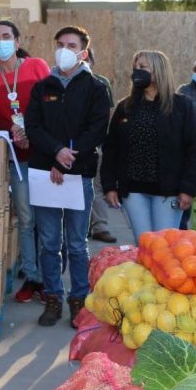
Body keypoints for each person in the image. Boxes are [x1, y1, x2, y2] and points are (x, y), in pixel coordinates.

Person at [24, 26, 111, 327]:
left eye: (70, 45)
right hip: (45, 173)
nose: (64, 49)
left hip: (79, 174)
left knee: (76, 243)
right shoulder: (43, 86)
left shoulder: (96, 87)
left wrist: (67, 158)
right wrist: (55, 153)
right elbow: (33, 126)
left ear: (83, 52)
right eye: (60, 44)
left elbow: (96, 130)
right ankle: (52, 298)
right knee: (49, 242)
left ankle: (79, 301)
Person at [0, 20, 48, 302]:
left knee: (50, 219)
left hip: (44, 154)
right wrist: (14, 134)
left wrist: (32, 132)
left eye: (6, 36)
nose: (1, 41)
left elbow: (50, 107)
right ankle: (33, 277)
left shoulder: (37, 67)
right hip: (17, 157)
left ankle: (52, 277)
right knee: (27, 218)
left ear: (17, 42)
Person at [101, 50, 196, 240]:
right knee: (144, 245)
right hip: (133, 190)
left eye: (142, 67)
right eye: (135, 68)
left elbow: (193, 150)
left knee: (164, 247)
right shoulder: (125, 107)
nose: (136, 72)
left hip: (168, 191)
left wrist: (188, 189)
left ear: (158, 71)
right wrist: (109, 185)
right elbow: (111, 148)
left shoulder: (181, 107)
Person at [84, 48, 118, 244]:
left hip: (96, 144)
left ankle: (100, 227)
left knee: (96, 186)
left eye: (88, 57)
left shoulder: (101, 83)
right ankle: (84, 227)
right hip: (70, 146)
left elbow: (107, 115)